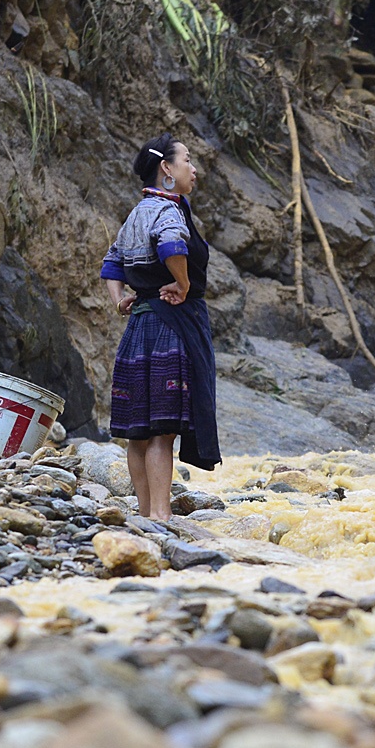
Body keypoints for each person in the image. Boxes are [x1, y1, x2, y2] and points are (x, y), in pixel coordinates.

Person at [101, 132, 220, 523]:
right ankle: (161, 515)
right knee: (162, 430)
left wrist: (119, 299)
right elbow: (172, 247)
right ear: (166, 169)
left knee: (138, 429)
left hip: (138, 328)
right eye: (187, 160)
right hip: (171, 325)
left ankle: (142, 513)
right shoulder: (168, 210)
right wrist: (182, 284)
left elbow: (112, 263)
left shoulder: (137, 212)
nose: (194, 169)